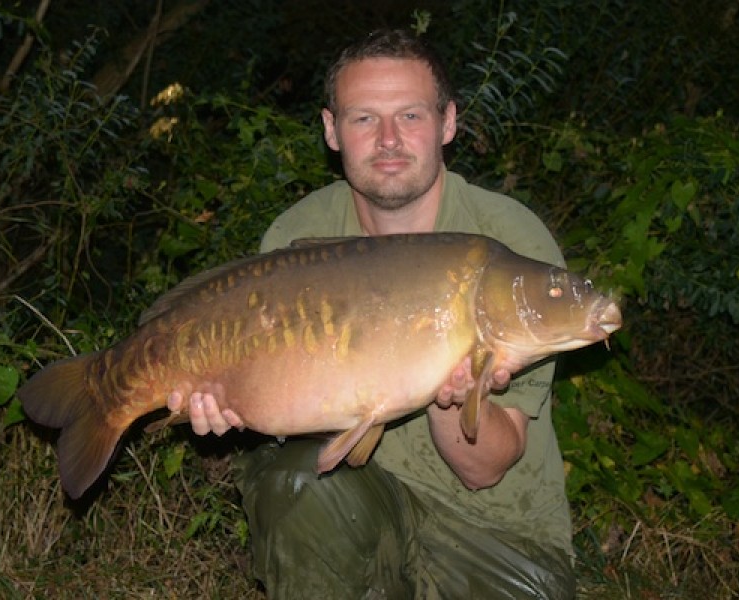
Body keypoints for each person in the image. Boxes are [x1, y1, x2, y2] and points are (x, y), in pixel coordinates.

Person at [168, 29, 576, 599]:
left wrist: (452, 393)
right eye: (363, 119)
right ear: (332, 130)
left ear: (448, 123)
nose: (388, 140)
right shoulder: (296, 239)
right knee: (293, 484)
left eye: (410, 115)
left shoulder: (505, 243)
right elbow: (278, 396)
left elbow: (484, 469)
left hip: (500, 537)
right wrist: (222, 395)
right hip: (363, 503)